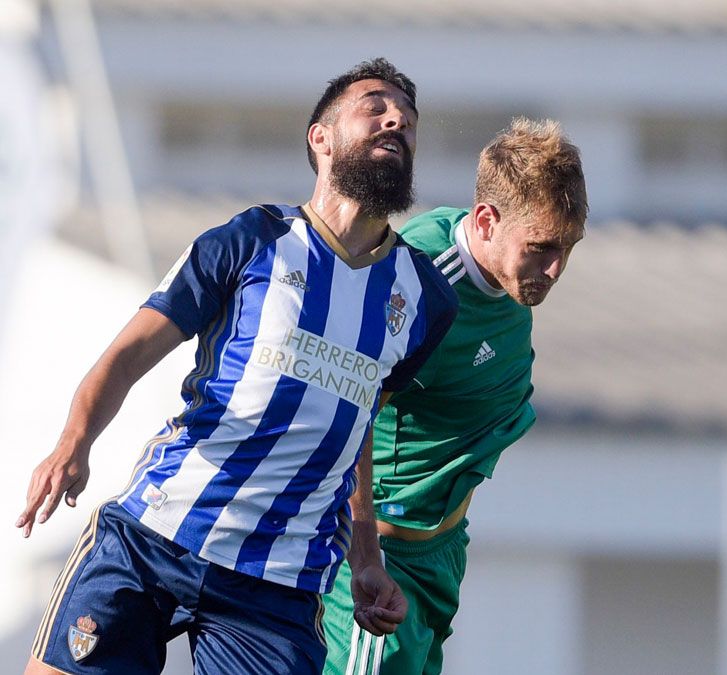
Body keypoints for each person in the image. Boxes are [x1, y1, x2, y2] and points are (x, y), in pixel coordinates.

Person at [16, 57, 458, 674]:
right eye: (376, 108)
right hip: (155, 535)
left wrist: (365, 558)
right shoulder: (251, 241)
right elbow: (127, 354)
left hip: (276, 585)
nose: (396, 122)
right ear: (321, 138)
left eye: (408, 121)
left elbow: (354, 431)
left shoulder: (426, 300)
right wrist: (74, 442)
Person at [321, 117, 587, 675]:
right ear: (486, 221)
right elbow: (344, 413)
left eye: (568, 247)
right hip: (384, 560)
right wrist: (366, 549)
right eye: (541, 248)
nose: (557, 269)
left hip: (442, 551)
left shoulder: (510, 273)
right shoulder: (419, 286)